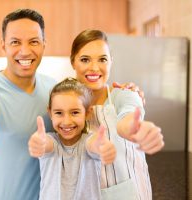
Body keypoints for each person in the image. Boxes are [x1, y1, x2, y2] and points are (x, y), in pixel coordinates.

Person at [0, 8, 145, 200]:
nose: (24, 50)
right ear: (3, 46)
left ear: (43, 45)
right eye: (15, 42)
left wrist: (129, 93)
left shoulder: (53, 89)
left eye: (33, 41)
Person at [70, 29, 165, 200]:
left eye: (102, 59)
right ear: (73, 62)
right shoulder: (65, 105)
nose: (94, 67)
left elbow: (127, 119)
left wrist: (136, 129)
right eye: (85, 59)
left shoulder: (124, 95)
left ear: (111, 62)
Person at [28, 78, 116, 200]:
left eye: (75, 112)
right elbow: (46, 144)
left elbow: (93, 145)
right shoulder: (51, 141)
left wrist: (101, 146)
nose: (67, 121)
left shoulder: (88, 141)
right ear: (50, 113)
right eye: (59, 113)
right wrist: (39, 143)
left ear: (87, 113)